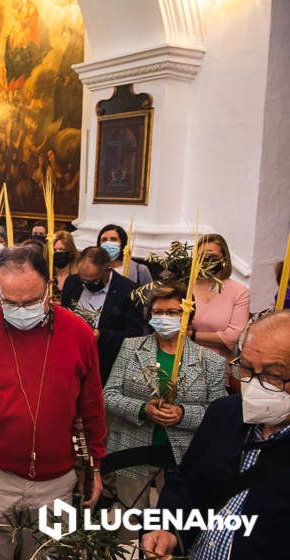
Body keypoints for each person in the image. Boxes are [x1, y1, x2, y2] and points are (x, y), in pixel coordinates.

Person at [0, 246, 106, 560]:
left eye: (31, 301)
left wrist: (95, 463)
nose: (21, 309)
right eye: (10, 302)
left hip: (55, 479)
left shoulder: (79, 334)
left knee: (47, 554)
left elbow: (91, 403)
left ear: (49, 288)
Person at [143, 311, 290, 559]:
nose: (253, 384)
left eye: (271, 374)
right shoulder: (224, 413)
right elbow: (187, 481)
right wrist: (168, 528)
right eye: (245, 368)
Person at [103, 284, 226, 517]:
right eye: (158, 312)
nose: (164, 317)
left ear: (187, 316)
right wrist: (141, 409)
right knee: (129, 517)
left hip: (181, 455)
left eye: (172, 312)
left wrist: (182, 413)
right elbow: (109, 395)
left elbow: (218, 413)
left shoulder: (211, 362)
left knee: (171, 520)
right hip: (132, 450)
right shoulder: (132, 348)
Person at [61, 246, 144, 385]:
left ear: (108, 269)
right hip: (72, 357)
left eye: (93, 281)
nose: (87, 285)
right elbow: (64, 314)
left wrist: (101, 335)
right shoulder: (72, 282)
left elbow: (135, 334)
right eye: (83, 281)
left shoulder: (129, 291)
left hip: (105, 363)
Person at [191, 233, 251, 386]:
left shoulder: (239, 291)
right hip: (184, 362)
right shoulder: (185, 287)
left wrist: (191, 335)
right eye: (201, 255)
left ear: (224, 259)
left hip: (220, 369)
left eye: (211, 255)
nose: (206, 260)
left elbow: (233, 337)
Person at [52, 230, 79, 299]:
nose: (58, 253)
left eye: (62, 250)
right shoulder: (46, 277)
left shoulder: (78, 278)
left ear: (70, 251)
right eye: (54, 250)